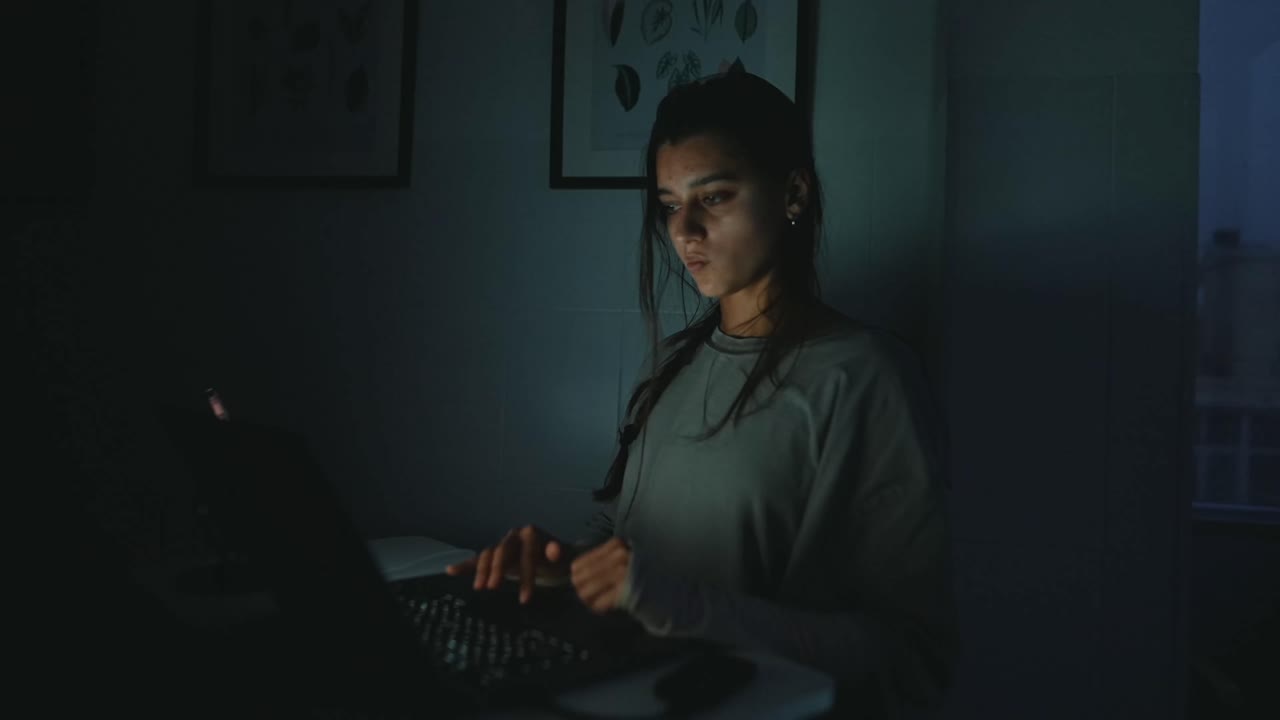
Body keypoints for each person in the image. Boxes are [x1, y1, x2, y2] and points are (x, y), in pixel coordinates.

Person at [447, 70, 955, 717]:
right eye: (668, 203)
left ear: (792, 192)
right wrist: (566, 570)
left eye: (713, 198)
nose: (683, 230)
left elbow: (910, 656)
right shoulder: (674, 364)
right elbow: (630, 551)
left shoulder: (866, 379)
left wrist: (679, 604)